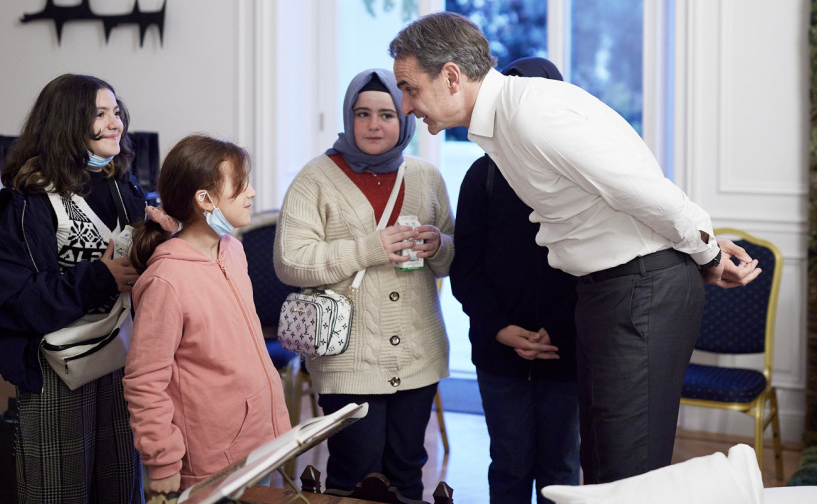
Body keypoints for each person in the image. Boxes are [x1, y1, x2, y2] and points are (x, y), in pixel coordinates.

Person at [389, 12, 762, 484]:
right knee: (604, 468)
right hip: (612, 290)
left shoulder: (531, 113)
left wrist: (705, 250)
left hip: (639, 288)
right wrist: (699, 246)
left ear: (450, 76)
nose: (405, 105)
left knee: (629, 476)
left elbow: (643, 189)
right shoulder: (504, 124)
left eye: (409, 88)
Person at [273, 68, 454, 500]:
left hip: (417, 354)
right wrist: (367, 249)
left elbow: (452, 258)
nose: (374, 124)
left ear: (405, 119)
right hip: (346, 357)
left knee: (409, 469)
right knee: (356, 472)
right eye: (363, 113)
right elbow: (289, 261)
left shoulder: (426, 176)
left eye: (387, 114)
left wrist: (438, 245)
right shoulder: (315, 178)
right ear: (348, 117)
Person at [0, 73, 145, 503]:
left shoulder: (121, 185)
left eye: (116, 111)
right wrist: (100, 278)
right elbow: (12, 301)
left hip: (120, 360)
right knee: (60, 491)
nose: (116, 123)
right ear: (69, 123)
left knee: (120, 487)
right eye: (100, 114)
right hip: (57, 371)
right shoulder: (28, 202)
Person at [123, 134, 291, 495]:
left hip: (257, 442)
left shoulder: (232, 251)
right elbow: (144, 381)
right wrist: (163, 459)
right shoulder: (167, 280)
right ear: (205, 199)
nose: (252, 193)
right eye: (241, 185)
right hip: (212, 462)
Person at [450, 57, 579, 504]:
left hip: (567, 353)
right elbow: (464, 269)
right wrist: (502, 329)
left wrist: (553, 334)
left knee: (561, 470)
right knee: (508, 464)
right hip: (498, 351)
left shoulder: (581, 176)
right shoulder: (480, 176)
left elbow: (596, 270)